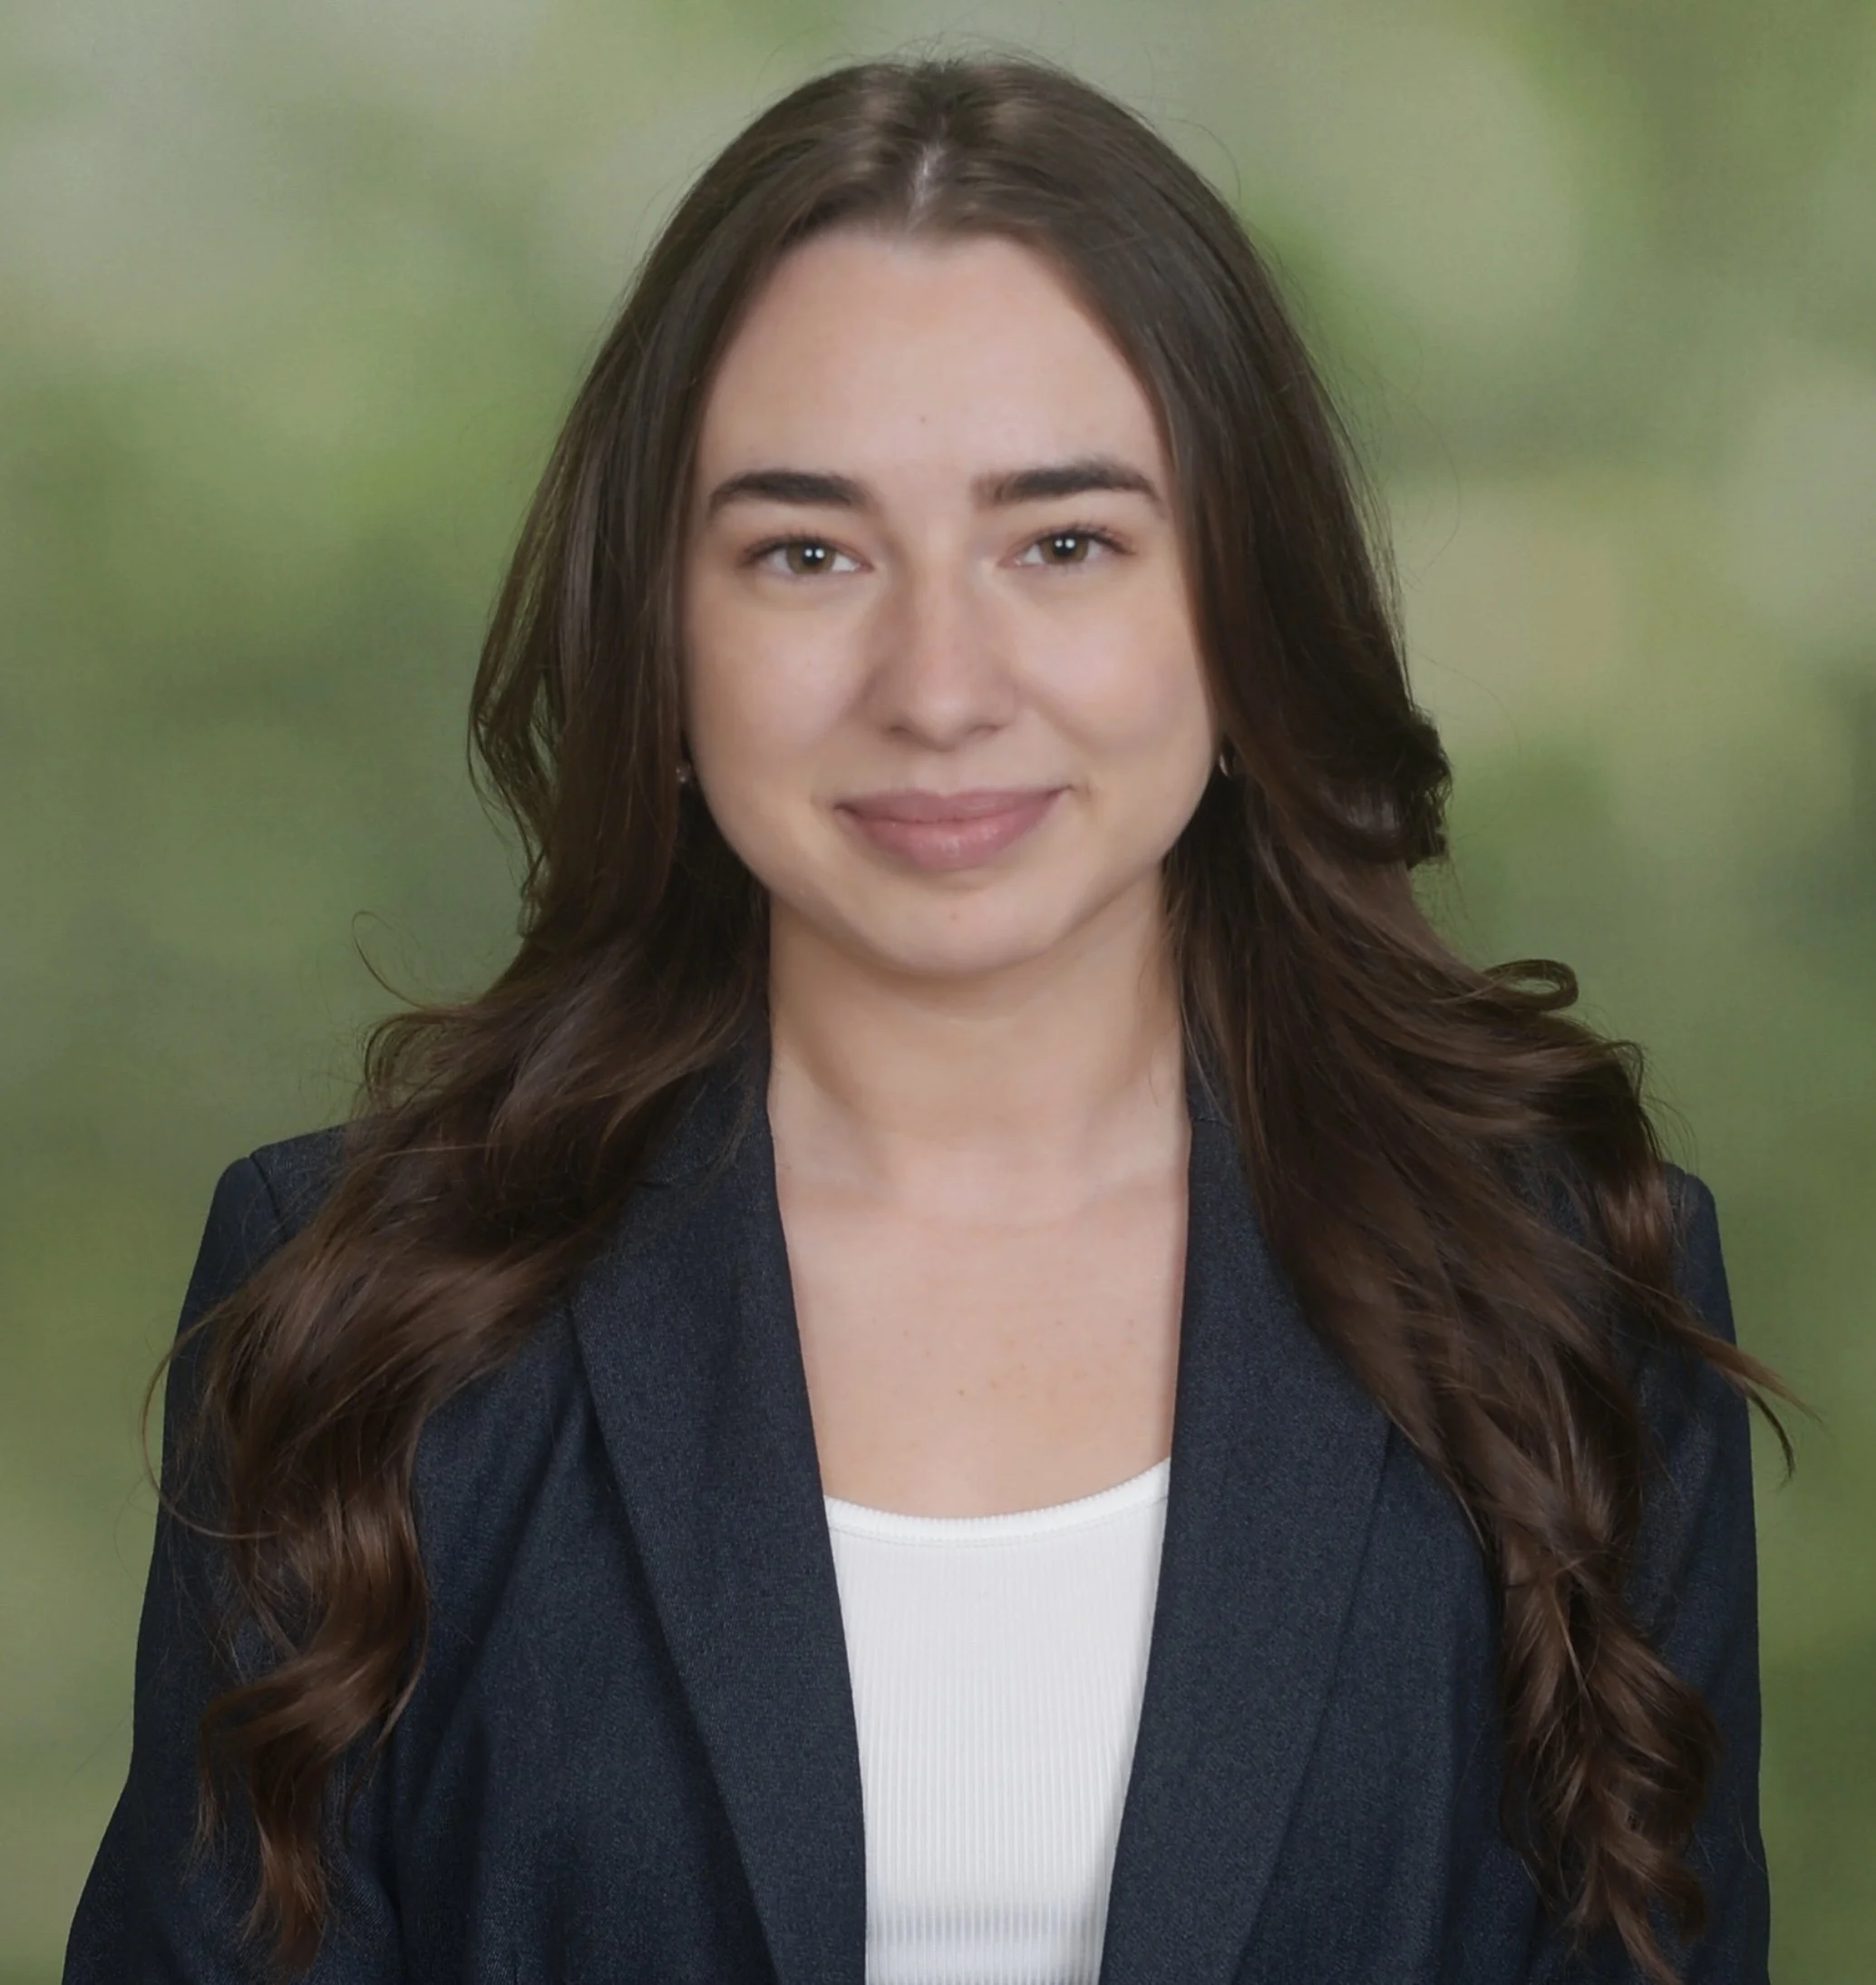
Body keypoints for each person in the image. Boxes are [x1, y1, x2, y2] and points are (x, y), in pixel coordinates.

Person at [66, 54, 1784, 1985]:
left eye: (1061, 540)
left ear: (1238, 606)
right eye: (807, 550)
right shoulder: (361, 1299)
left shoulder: (1546, 1295)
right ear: (659, 636)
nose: (938, 684)